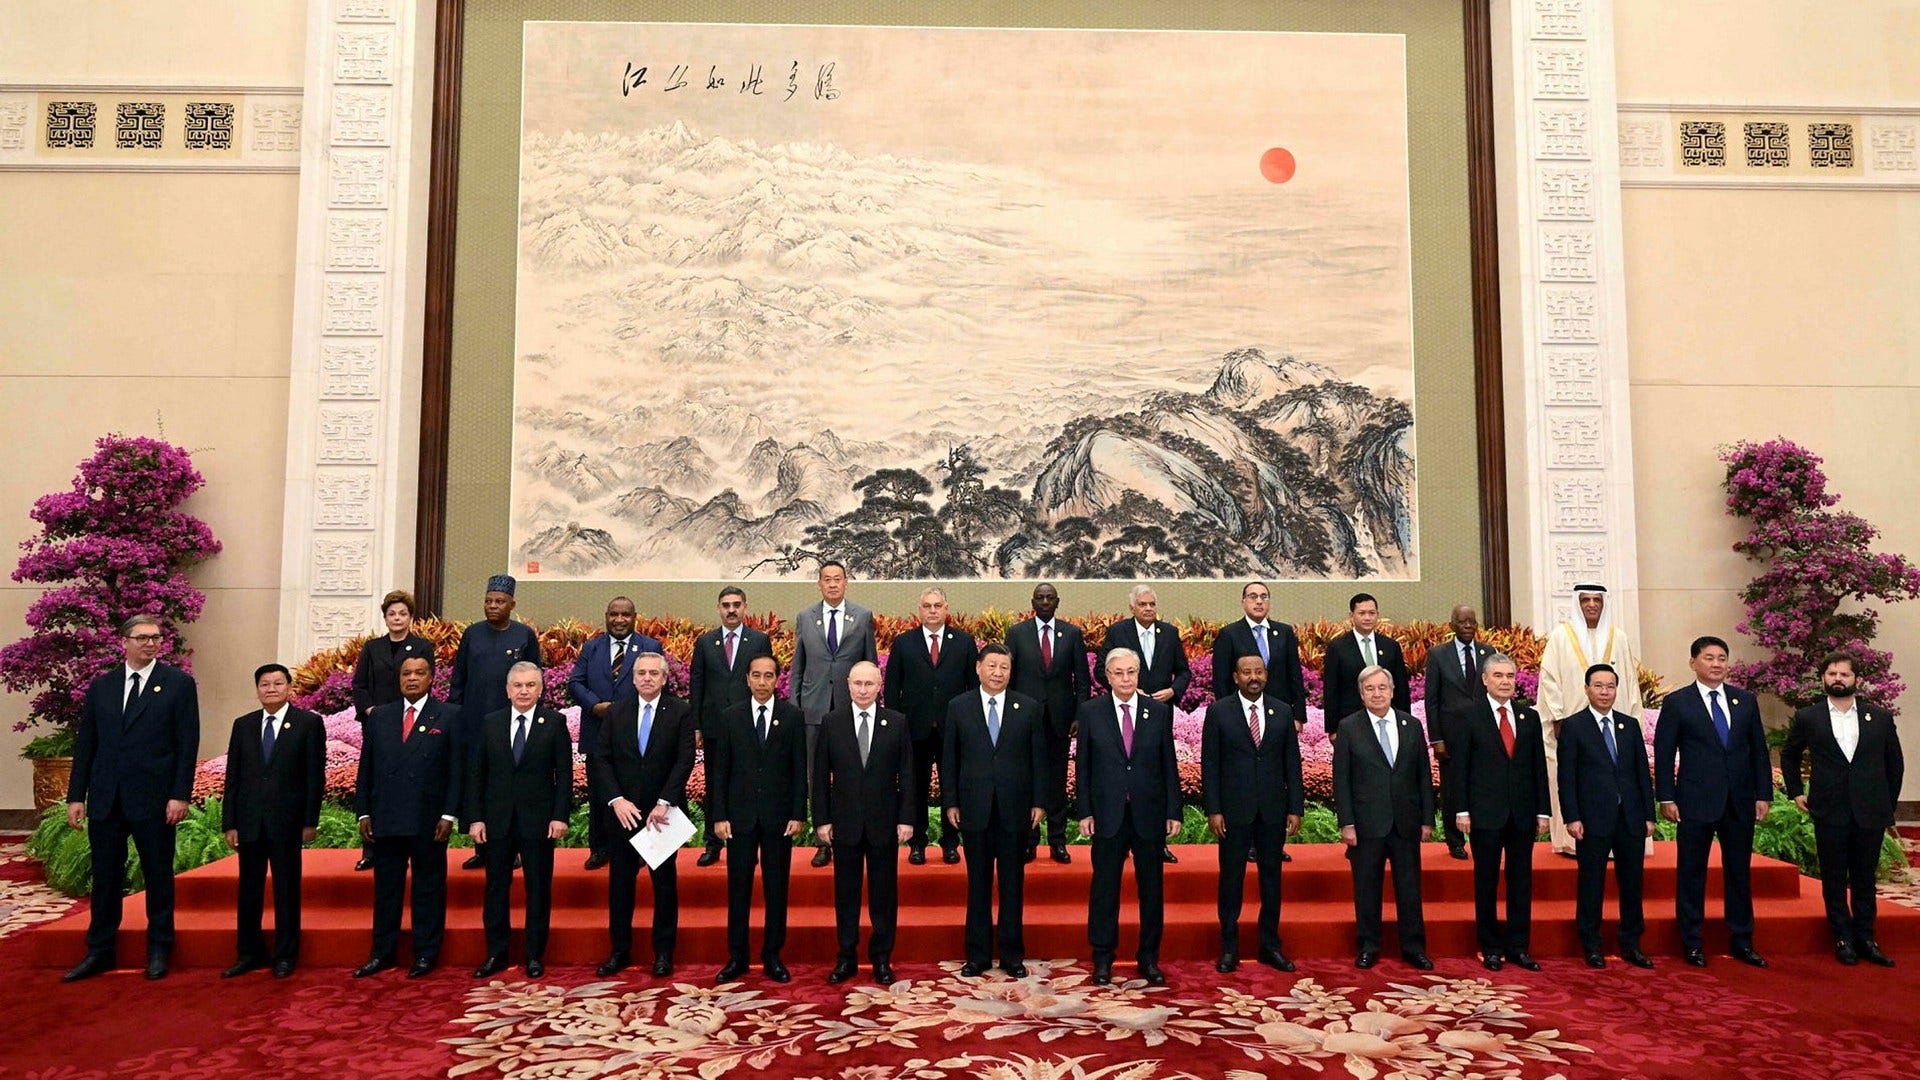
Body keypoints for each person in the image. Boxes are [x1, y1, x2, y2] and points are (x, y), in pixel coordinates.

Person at [62, 615, 200, 983]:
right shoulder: (102, 687)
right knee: (106, 877)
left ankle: (158, 950)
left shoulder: (177, 684)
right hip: (107, 797)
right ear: (123, 642)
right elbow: (87, 744)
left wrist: (179, 794)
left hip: (154, 798)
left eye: (156, 638)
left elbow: (187, 744)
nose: (150, 644)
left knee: (158, 875)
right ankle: (100, 950)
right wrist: (77, 796)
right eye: (142, 638)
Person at [1654, 635, 1771, 968]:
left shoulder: (1745, 700)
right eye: (1709, 658)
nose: (1717, 664)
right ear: (1693, 662)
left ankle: (1742, 941)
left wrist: (1763, 794)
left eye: (1722, 658)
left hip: (1739, 800)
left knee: (1739, 873)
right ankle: (1691, 941)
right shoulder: (1678, 702)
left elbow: (1759, 752)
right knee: (1692, 873)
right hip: (1695, 800)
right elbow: (1664, 753)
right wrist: (1666, 795)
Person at [1782, 652, 1905, 967]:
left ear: (1857, 681)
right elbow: (1789, 755)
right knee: (1834, 877)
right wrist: (1796, 791)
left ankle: (1866, 937)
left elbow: (1895, 764)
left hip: (1870, 811)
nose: (1838, 679)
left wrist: (1886, 804)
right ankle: (1842, 938)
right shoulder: (1809, 717)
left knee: (1865, 878)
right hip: (1829, 809)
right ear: (1823, 678)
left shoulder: (1878, 717)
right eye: (1832, 674)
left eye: (1844, 675)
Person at [352, 654, 461, 979]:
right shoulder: (380, 717)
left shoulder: (450, 715)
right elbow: (366, 768)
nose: (412, 678)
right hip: (386, 817)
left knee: (428, 889)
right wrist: (364, 812)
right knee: (386, 890)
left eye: (419, 673)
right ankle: (381, 953)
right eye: (406, 673)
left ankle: (426, 954)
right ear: (399, 679)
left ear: (431, 678)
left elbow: (458, 770)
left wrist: (449, 814)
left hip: (429, 820)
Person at [1077, 648, 1181, 986]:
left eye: (1131, 672)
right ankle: (1103, 959)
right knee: (1104, 890)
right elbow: (1083, 769)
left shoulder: (1158, 711)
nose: (1126, 679)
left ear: (1139, 675)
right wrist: (1085, 811)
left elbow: (1169, 765)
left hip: (1148, 814)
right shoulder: (1091, 712)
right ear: (1107, 676)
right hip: (1107, 814)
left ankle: (1148, 958)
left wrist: (1173, 811)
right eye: (1119, 673)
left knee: (1151, 890)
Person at [942, 644, 1047, 978]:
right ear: (978, 668)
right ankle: (977, 956)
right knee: (978, 886)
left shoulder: (1028, 708)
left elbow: (1038, 761)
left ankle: (1012, 956)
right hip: (974, 809)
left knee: (1013, 885)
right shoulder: (959, 707)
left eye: (1004, 667)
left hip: (1015, 810)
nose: (998, 673)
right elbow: (949, 760)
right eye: (992, 666)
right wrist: (951, 802)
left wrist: (1039, 802)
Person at [590, 652, 696, 978]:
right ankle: (619, 951)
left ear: (665, 678)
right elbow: (601, 759)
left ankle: (663, 953)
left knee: (664, 886)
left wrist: (665, 801)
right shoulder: (616, 711)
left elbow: (684, 759)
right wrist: (616, 800)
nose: (647, 678)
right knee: (620, 885)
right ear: (632, 678)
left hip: (660, 815)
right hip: (623, 814)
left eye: (654, 673)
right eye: (641, 673)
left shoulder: (680, 711)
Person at [466, 661, 572, 979]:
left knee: (538, 888)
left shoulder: (554, 723)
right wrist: (475, 818)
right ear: (507, 689)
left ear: (541, 689)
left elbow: (564, 775)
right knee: (496, 887)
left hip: (539, 821)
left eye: (530, 685)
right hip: (497, 820)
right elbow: (476, 775)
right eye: (518, 685)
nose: (523, 691)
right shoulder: (490, 723)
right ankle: (496, 954)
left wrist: (559, 816)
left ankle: (534, 955)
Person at [707, 654, 808, 983]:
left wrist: (798, 813)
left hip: (779, 819)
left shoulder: (792, 717)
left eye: (768, 676)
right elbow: (718, 772)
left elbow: (798, 770)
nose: (762, 682)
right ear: (747, 679)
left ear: (777, 679)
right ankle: (737, 957)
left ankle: (772, 956)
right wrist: (719, 816)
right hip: (739, 819)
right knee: (739, 890)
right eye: (756, 676)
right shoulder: (730, 717)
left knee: (776, 889)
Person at [220, 663, 325, 979]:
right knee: (249, 890)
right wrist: (230, 823)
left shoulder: (307, 723)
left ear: (290, 687)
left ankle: (285, 954)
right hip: (250, 821)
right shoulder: (244, 725)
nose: (271, 689)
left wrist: (310, 820)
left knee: (286, 889)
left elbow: (314, 776)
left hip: (288, 821)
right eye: (264, 684)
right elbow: (233, 777)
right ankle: (249, 953)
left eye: (278, 683)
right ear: (257, 690)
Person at [813, 661, 915, 985]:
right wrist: (822, 820)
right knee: (846, 895)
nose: (863, 690)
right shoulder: (832, 722)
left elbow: (908, 776)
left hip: (885, 823)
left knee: (884, 895)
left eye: (869, 684)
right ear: (848, 684)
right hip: (844, 823)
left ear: (880, 684)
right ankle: (846, 958)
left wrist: (907, 819)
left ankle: (882, 958)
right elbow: (819, 778)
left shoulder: (897, 722)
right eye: (857, 683)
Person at [1202, 654, 1303, 973]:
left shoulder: (1282, 710)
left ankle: (1270, 946)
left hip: (1273, 810)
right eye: (1246, 672)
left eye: (1258, 672)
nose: (1253, 677)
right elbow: (1210, 765)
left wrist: (1295, 807)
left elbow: (1292, 763)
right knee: (1231, 881)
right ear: (1235, 677)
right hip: (1233, 812)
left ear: (1266, 675)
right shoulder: (1219, 712)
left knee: (1271, 880)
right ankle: (1229, 948)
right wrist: (1214, 809)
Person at [1450, 654, 1549, 971]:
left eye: (1510, 676)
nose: (1506, 681)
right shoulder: (1467, 716)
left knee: (1521, 881)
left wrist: (1543, 811)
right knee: (1486, 881)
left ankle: (1519, 947)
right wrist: (1461, 810)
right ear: (1484, 680)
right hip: (1484, 814)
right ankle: (1490, 947)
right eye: (1499, 676)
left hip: (1522, 814)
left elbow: (1538, 769)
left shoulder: (1528, 718)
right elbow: (1460, 769)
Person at [1333, 666, 1433, 971]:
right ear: (1361, 694)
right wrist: (1346, 823)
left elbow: (1423, 777)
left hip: (1405, 822)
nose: (1377, 694)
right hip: (1366, 824)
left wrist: (1427, 819)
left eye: (1382, 688)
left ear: (1392, 690)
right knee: (1366, 889)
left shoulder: (1412, 725)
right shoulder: (1349, 727)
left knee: (1409, 889)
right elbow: (1342, 780)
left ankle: (1413, 947)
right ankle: (1368, 946)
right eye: (1370, 689)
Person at [1556, 663, 1655, 969]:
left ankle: (1631, 943)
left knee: (1632, 883)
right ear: (1587, 689)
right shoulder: (1574, 726)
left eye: (1610, 686)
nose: (1604, 692)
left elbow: (1642, 773)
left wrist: (1648, 815)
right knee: (1591, 883)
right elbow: (1566, 777)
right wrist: (1571, 817)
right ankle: (1591, 944)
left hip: (1630, 818)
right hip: (1591, 818)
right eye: (1598, 686)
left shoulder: (1628, 725)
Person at [1538, 583, 1642, 857]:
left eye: (1597, 600)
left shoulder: (1618, 637)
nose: (1592, 605)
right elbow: (1549, 678)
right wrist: (1558, 716)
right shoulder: (1560, 636)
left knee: (1618, 772)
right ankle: (1572, 839)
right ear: (1578, 603)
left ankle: (1622, 835)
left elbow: (1629, 681)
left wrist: (1632, 719)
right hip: (1573, 724)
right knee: (1573, 777)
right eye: (1586, 600)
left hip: (1614, 723)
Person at [449, 574, 542, 870]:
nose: (493, 606)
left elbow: (535, 679)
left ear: (512, 604)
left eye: (499, 602)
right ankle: (482, 847)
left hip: (511, 725)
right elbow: (458, 680)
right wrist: (455, 717)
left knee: (507, 785)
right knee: (478, 783)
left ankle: (511, 850)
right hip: (475, 724)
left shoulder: (524, 635)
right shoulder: (472, 634)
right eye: (488, 601)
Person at [790, 560, 878, 868]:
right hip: (813, 711)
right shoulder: (805, 617)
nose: (832, 584)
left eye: (837, 579)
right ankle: (822, 840)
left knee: (850, 776)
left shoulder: (862, 616)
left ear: (846, 582)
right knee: (816, 778)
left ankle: (851, 836)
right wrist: (795, 707)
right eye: (826, 579)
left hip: (850, 711)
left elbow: (870, 664)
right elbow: (797, 668)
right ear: (819, 584)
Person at [884, 586, 979, 865]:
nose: (933, 610)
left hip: (953, 729)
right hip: (915, 729)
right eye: (927, 606)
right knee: (915, 788)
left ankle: (951, 842)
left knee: (953, 786)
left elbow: (973, 688)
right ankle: (918, 843)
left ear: (946, 608)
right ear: (920, 609)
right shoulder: (904, 642)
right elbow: (892, 689)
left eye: (938, 605)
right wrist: (895, 725)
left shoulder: (963, 642)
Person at [568, 595, 663, 870]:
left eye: (625, 615)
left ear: (635, 617)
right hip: (598, 734)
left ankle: (642, 849)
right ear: (606, 616)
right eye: (613, 614)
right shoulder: (592, 647)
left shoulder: (649, 646)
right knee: (600, 795)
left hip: (637, 735)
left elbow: (655, 683)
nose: (619, 620)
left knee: (638, 792)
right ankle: (600, 848)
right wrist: (594, 705)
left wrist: (627, 710)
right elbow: (575, 682)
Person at [1098, 585, 1190, 864]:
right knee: (1127, 771)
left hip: (1158, 713)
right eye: (1143, 604)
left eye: (1152, 604)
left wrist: (1173, 690)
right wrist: (1128, 690)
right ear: (1132, 608)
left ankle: (1156, 843)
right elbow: (1101, 668)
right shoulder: (1118, 632)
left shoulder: (1170, 633)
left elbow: (1184, 670)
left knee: (1156, 774)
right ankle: (1123, 842)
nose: (1149, 608)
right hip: (1125, 710)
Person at [349, 589, 434, 871]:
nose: (397, 618)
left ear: (410, 617)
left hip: (412, 722)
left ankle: (410, 846)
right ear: (385, 617)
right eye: (392, 614)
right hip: (378, 725)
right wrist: (371, 711)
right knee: (376, 781)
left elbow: (425, 682)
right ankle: (371, 849)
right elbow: (359, 685)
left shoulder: (422, 646)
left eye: (402, 614)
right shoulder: (372, 648)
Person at [1005, 582, 1089, 864]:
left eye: (1049, 598)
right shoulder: (1017, 634)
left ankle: (1057, 841)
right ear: (1032, 602)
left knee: (1056, 784)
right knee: (1027, 782)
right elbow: (1010, 679)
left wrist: (1079, 715)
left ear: (1057, 602)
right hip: (1026, 721)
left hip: (1061, 721)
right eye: (1039, 598)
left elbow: (1082, 680)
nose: (1044, 602)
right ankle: (1029, 842)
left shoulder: (1072, 634)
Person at [688, 586, 772, 867]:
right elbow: (696, 685)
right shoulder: (705, 642)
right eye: (726, 605)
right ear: (718, 608)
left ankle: (750, 842)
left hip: (748, 725)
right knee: (715, 784)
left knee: (749, 784)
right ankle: (713, 844)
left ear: (745, 607)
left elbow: (765, 683)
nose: (731, 609)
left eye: (736, 604)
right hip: (714, 728)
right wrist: (697, 725)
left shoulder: (759, 640)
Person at [1423, 605, 1494, 860]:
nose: (1467, 626)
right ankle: (1454, 841)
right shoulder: (1438, 654)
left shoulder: (1489, 652)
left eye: (1472, 622)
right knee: (1453, 788)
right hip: (1451, 738)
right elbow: (1431, 700)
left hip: (1484, 735)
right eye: (1462, 621)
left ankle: (1482, 835)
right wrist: (1437, 739)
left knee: (1482, 785)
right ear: (1451, 624)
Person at [1211, 581, 1306, 722]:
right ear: (1243, 602)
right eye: (1253, 597)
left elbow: (1295, 676)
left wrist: (1298, 716)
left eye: (1264, 597)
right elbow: (1221, 680)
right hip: (1242, 713)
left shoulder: (1284, 632)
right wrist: (1226, 715)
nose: (1259, 601)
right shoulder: (1229, 634)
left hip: (1280, 711)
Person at [1322, 593, 1410, 741]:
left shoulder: (1390, 646)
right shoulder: (1337, 647)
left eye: (1372, 613)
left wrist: (1404, 720)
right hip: (1350, 721)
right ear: (1351, 615)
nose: (1367, 618)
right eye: (1362, 613)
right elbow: (1331, 690)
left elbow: (1401, 687)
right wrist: (1333, 728)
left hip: (1387, 719)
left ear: (1378, 615)